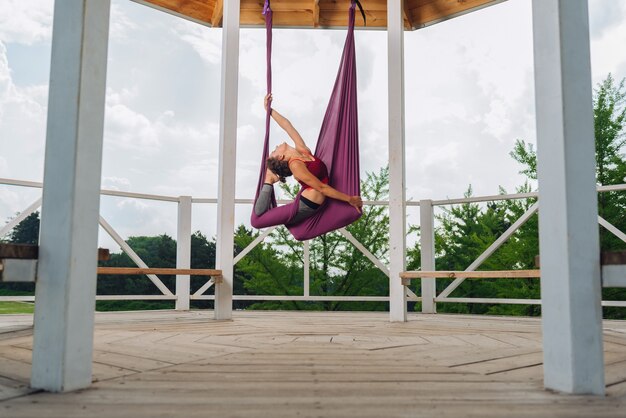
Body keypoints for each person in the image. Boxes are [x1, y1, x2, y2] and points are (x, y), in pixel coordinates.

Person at [253, 94, 363, 227]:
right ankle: (268, 181)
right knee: (257, 220)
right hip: (304, 205)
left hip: (310, 199)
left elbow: (287, 126)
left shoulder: (302, 150)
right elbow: (322, 188)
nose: (275, 147)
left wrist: (269, 110)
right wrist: (350, 199)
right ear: (281, 157)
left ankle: (270, 179)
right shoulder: (296, 166)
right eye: (274, 151)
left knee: (260, 218)